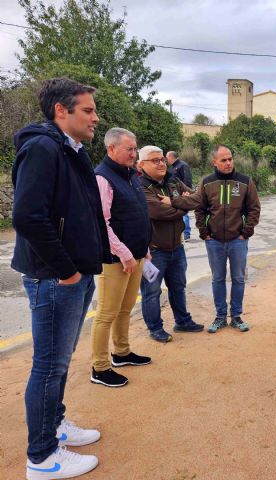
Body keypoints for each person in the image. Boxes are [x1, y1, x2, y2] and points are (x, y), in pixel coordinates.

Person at [12, 77, 109, 479]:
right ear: (60, 110)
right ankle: (42, 457)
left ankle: (55, 425)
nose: (95, 118)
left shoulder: (69, 150)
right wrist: (67, 270)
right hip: (56, 278)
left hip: (74, 274)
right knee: (49, 366)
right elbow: (28, 217)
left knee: (60, 362)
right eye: (87, 110)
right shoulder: (42, 148)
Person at [90, 128, 152, 388]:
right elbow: (102, 223)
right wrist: (125, 254)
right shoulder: (103, 178)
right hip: (115, 259)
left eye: (135, 149)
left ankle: (122, 353)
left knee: (125, 309)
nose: (133, 153)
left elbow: (136, 214)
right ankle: (100, 367)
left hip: (136, 256)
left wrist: (143, 248)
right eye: (129, 149)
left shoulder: (131, 176)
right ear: (111, 149)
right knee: (106, 313)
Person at [138, 145, 204, 342]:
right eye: (154, 160)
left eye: (162, 159)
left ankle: (182, 321)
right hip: (154, 251)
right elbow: (157, 212)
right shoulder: (140, 186)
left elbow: (197, 198)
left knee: (178, 286)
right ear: (141, 165)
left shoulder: (173, 182)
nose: (160, 163)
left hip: (177, 247)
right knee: (151, 292)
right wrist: (183, 208)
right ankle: (155, 328)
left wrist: (173, 202)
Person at [194, 145, 260, 333]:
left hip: (238, 240)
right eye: (223, 160)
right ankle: (220, 316)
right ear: (214, 162)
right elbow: (199, 208)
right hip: (214, 241)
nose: (228, 162)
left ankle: (237, 316)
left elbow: (254, 209)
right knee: (217, 279)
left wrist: (245, 233)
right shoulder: (206, 182)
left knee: (238, 278)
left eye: (230, 158)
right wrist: (204, 232)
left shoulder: (245, 181)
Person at [167, 151, 193, 241]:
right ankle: (180, 234)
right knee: (178, 213)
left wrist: (186, 192)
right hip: (174, 193)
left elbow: (187, 179)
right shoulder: (172, 167)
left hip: (182, 193)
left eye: (167, 158)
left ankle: (186, 234)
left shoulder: (182, 165)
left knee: (184, 213)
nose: (166, 160)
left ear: (171, 157)